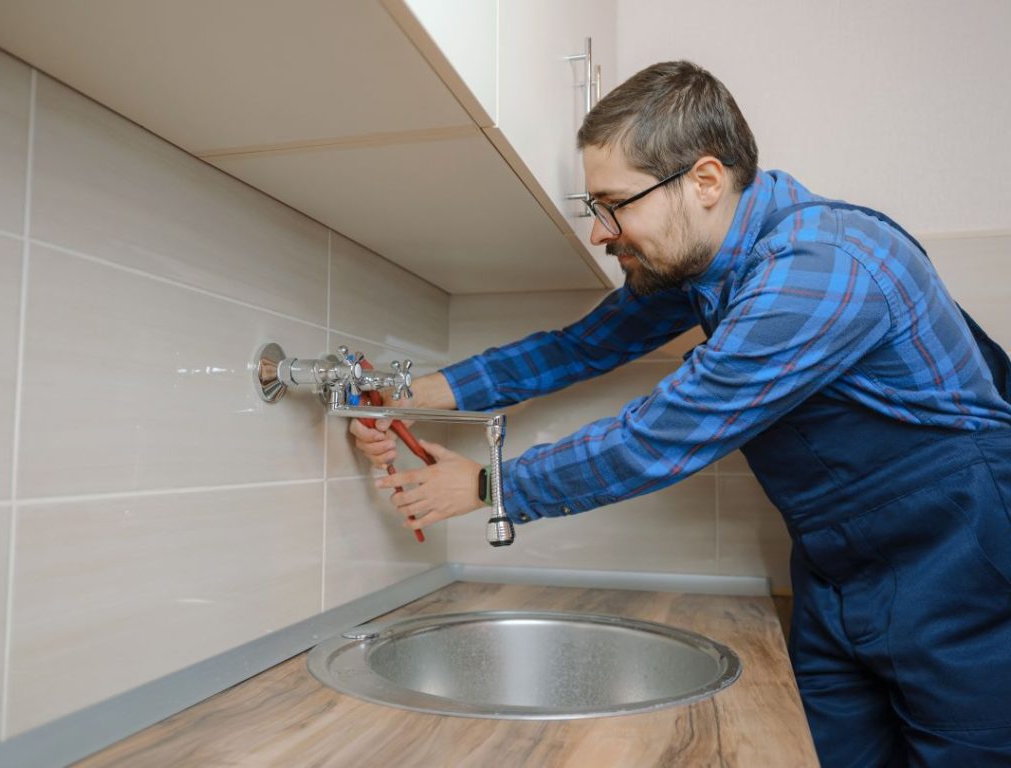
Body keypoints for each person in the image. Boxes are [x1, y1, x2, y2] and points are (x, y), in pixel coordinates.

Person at [350, 61, 1011, 767]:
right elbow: (576, 350)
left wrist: (489, 487)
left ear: (703, 182)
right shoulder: (709, 263)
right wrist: (409, 393)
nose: (603, 233)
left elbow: (660, 437)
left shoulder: (823, 265)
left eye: (614, 204)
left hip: (960, 559)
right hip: (837, 565)